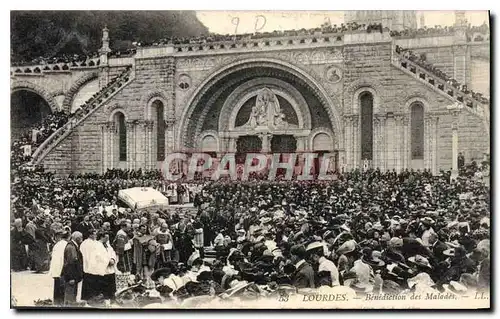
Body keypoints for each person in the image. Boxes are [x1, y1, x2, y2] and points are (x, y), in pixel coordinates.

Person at [61, 231, 83, 306]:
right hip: (71, 276)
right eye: (81, 238)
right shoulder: (71, 247)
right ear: (77, 238)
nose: (82, 240)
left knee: (72, 296)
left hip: (73, 276)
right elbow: (70, 264)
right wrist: (71, 277)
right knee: (70, 297)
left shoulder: (73, 246)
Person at [48, 230, 69, 306]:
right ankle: (61, 303)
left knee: (57, 286)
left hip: (56, 268)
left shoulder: (57, 244)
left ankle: (56, 302)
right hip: (62, 268)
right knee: (62, 287)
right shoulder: (67, 244)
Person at [97, 231, 117, 303]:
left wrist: (113, 259)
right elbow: (98, 256)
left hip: (111, 270)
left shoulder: (108, 245)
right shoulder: (97, 245)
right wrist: (108, 261)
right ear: (101, 237)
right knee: (104, 287)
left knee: (112, 286)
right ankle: (105, 300)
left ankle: (112, 299)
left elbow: (112, 252)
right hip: (103, 269)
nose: (107, 240)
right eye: (106, 238)